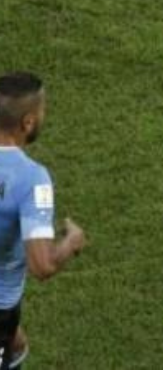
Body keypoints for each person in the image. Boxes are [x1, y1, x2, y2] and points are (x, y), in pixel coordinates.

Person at [0, 72, 87, 369]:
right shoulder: (31, 179)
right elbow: (43, 265)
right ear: (27, 122)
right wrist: (71, 242)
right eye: (42, 111)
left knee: (16, 345)